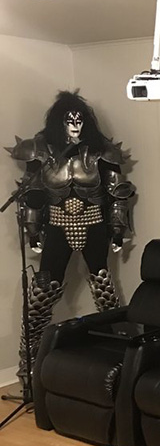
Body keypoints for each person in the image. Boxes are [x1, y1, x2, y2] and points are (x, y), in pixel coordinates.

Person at [6, 90, 135, 391]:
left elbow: (118, 193)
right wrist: (33, 231)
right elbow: (32, 194)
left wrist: (117, 230)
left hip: (94, 223)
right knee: (41, 295)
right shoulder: (42, 150)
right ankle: (28, 368)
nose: (75, 126)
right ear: (59, 122)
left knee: (104, 289)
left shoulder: (101, 151)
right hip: (57, 225)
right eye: (69, 120)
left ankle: (121, 359)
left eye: (79, 120)